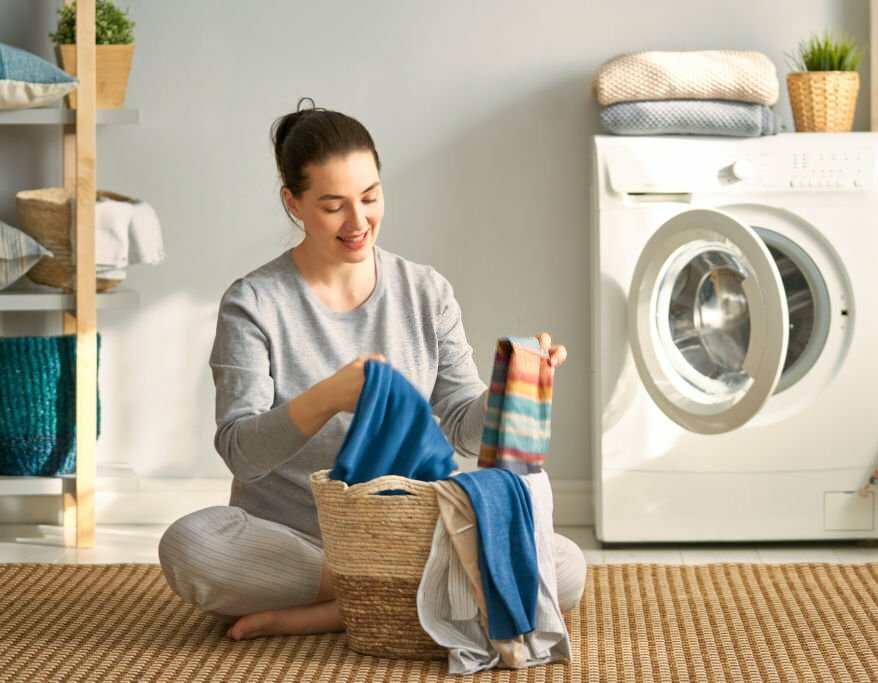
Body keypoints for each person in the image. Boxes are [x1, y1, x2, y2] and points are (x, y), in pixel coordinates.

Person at [158, 101, 587, 641]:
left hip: (413, 536)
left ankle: (339, 611)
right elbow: (241, 452)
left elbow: (461, 425)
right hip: (297, 540)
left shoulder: (425, 291)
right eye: (333, 205)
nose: (358, 222)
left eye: (370, 197)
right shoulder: (254, 302)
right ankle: (420, 598)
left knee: (566, 565)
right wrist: (330, 397)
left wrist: (512, 390)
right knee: (191, 547)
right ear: (293, 203)